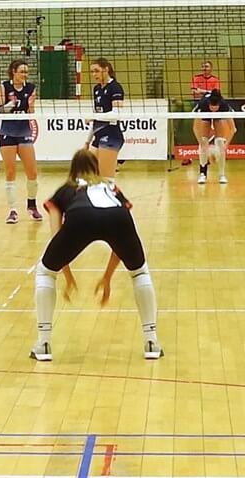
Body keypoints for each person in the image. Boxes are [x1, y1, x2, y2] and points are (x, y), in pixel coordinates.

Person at [29, 148, 160, 364]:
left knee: (45, 272)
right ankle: (151, 341)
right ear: (96, 168)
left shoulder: (66, 189)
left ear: (73, 169)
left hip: (81, 217)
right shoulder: (112, 187)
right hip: (118, 217)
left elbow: (56, 238)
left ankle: (43, 343)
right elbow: (121, 238)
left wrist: (67, 275)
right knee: (139, 273)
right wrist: (107, 277)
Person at [0, 59, 43, 224]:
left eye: (26, 72)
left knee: (32, 172)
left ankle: (32, 206)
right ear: (13, 72)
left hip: (24, 131)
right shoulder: (3, 87)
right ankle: (12, 211)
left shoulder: (30, 88)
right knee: (10, 172)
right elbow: (0, 110)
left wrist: (31, 105)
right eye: (22, 71)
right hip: (7, 133)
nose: (25, 75)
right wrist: (12, 104)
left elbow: (31, 112)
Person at [88, 58, 125, 179]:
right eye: (92, 72)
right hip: (98, 135)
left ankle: (110, 191)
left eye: (96, 71)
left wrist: (94, 116)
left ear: (106, 70)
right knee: (89, 171)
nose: (94, 74)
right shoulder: (97, 89)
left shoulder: (115, 88)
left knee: (106, 177)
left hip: (111, 135)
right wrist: (87, 141)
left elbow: (116, 114)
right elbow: (97, 118)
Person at [192, 90, 234, 185]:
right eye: (212, 107)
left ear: (219, 104)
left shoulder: (224, 106)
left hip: (219, 116)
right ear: (209, 104)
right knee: (203, 140)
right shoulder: (203, 105)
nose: (213, 109)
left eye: (216, 107)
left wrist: (226, 145)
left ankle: (222, 175)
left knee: (220, 142)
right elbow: (195, 128)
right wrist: (202, 144)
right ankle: (202, 174)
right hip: (205, 114)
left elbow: (233, 129)